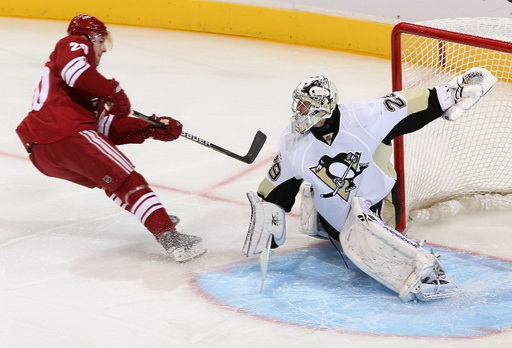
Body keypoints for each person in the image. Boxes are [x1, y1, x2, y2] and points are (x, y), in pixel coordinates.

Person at [243, 70, 496, 300]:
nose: (298, 109)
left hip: (377, 209)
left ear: (323, 107)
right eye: (298, 103)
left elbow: (411, 105)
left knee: (372, 240)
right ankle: (324, 223)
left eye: (305, 104)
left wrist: (453, 91)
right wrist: (269, 216)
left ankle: (424, 271)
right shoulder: (292, 140)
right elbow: (278, 186)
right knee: (337, 211)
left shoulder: (365, 117)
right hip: (336, 223)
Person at [15, 14, 206, 262]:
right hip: (66, 132)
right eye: (102, 40)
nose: (104, 48)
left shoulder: (81, 88)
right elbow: (76, 73)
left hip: (43, 151)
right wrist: (112, 89)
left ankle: (152, 216)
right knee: (127, 180)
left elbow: (103, 130)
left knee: (112, 181)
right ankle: (170, 237)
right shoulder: (74, 43)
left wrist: (150, 128)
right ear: (90, 37)